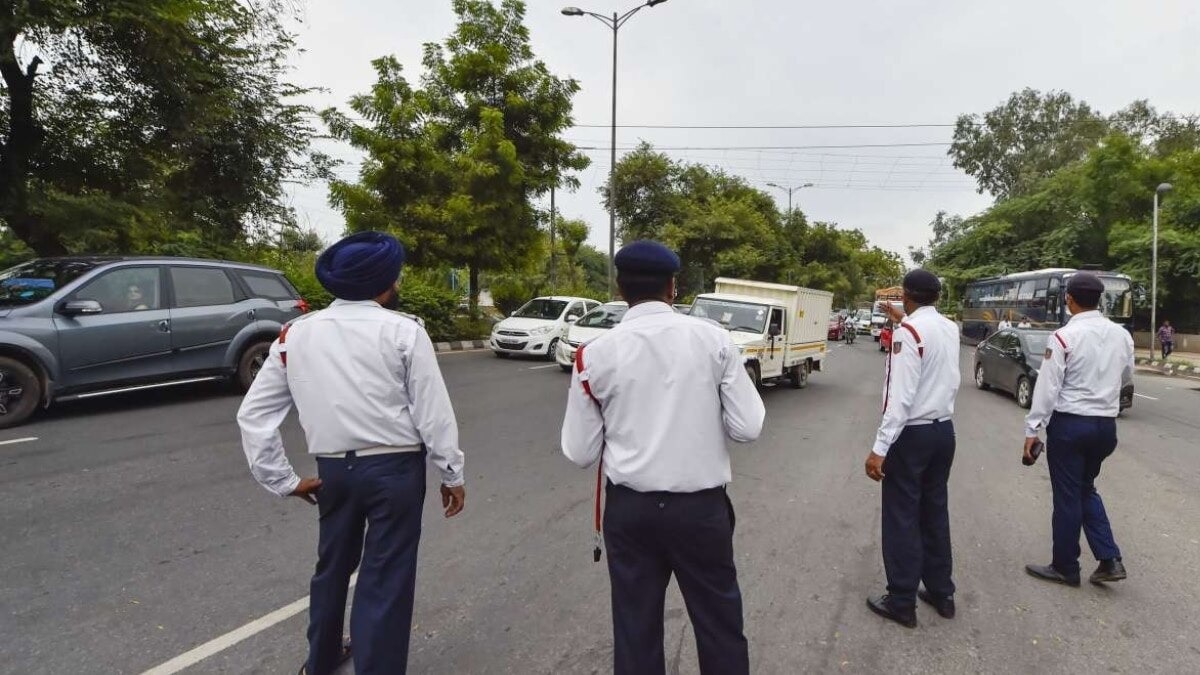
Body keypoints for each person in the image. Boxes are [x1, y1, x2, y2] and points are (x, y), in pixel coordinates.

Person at [237, 231, 466, 675]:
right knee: (385, 580)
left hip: (333, 473)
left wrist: (284, 480)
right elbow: (433, 412)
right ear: (383, 284)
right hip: (395, 471)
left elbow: (254, 414)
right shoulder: (405, 331)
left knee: (332, 568)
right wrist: (451, 473)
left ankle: (320, 661)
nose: (397, 285)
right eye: (395, 278)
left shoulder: (294, 335)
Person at [561, 240, 765, 675]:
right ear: (673, 287)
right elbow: (748, 427)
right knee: (719, 624)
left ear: (620, 288)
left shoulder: (594, 354)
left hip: (630, 514)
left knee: (636, 628)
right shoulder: (715, 341)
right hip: (700, 511)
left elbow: (580, 452)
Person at [1022, 272, 1134, 588]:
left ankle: (1065, 567)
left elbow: (1047, 388)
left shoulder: (1063, 337)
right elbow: (1127, 372)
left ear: (1069, 300)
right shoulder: (1121, 335)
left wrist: (1033, 430)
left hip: (1071, 425)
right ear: (1099, 300)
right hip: (1105, 428)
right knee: (1085, 488)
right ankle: (1109, 558)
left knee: (1068, 496)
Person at [864, 269, 961, 628]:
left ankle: (902, 599)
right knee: (934, 511)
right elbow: (927, 334)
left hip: (912, 436)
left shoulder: (908, 333)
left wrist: (879, 447)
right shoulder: (949, 328)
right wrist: (903, 317)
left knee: (902, 514)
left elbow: (899, 398)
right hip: (943, 432)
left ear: (906, 295)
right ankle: (941, 591)